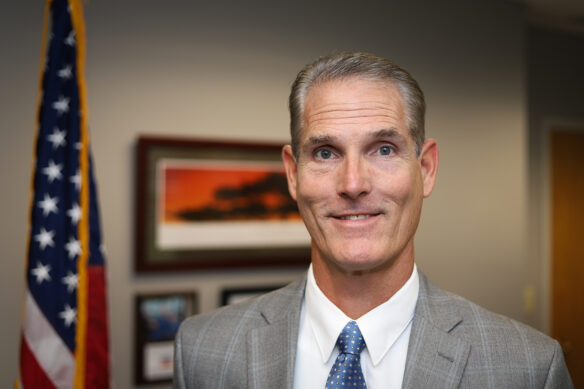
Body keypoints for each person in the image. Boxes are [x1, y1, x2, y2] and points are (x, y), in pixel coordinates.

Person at [173, 52, 572, 388]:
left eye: (383, 149)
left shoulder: (527, 368)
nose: (353, 184)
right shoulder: (203, 350)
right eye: (326, 153)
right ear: (293, 175)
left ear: (427, 169)